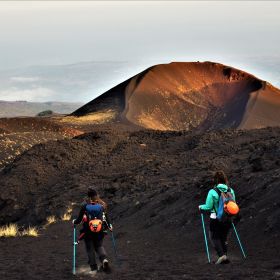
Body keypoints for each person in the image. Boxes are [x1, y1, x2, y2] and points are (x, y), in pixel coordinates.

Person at [198, 170, 236, 264]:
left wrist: (200, 207)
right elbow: (233, 204)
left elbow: (208, 206)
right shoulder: (231, 190)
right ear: (225, 179)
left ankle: (221, 255)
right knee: (224, 237)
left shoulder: (212, 192)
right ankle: (225, 256)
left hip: (215, 218)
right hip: (227, 218)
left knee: (214, 237)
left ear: (215, 180)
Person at [73, 187, 113, 274]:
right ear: (96, 196)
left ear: (89, 197)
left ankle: (94, 269)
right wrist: (110, 226)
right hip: (100, 231)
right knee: (99, 246)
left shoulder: (85, 207)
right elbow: (107, 218)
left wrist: (74, 222)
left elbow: (79, 220)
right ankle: (104, 260)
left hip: (88, 232)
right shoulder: (102, 206)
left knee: (90, 249)